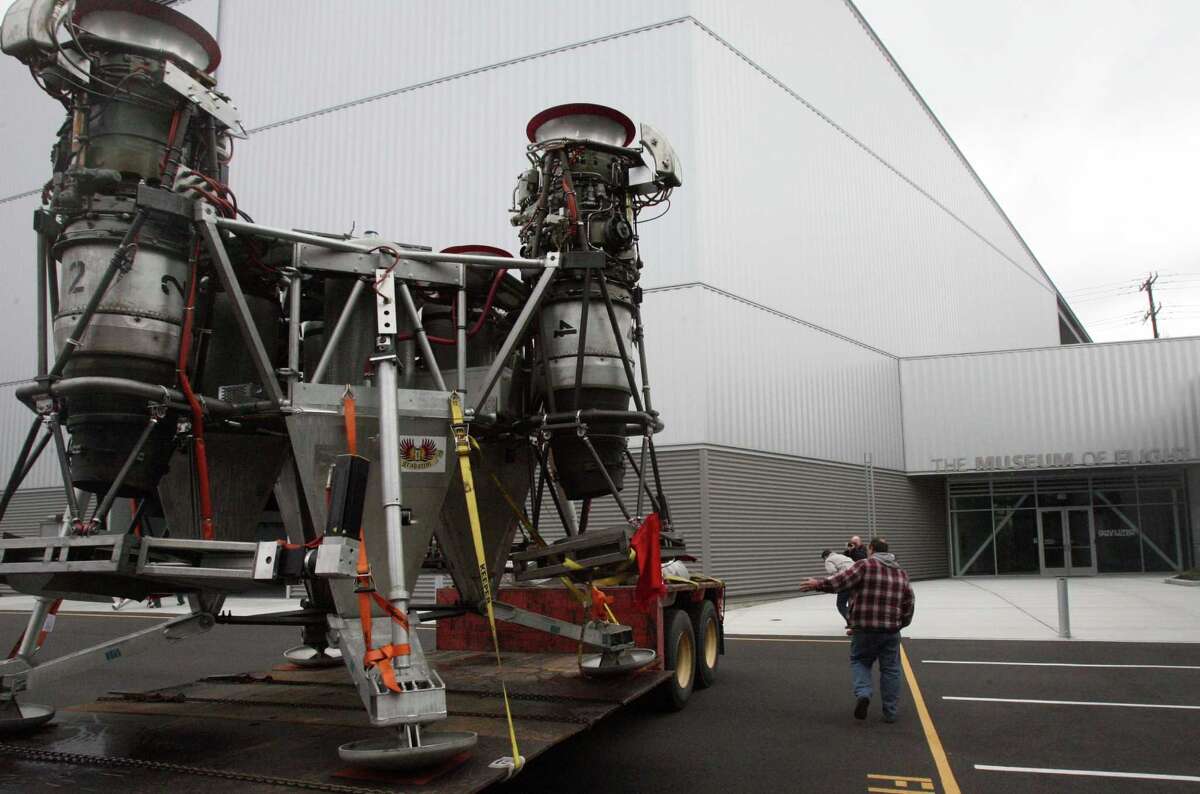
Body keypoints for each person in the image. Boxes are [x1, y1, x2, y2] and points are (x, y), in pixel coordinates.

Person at [800, 538, 914, 723]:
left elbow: (840, 581)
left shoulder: (864, 565)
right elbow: (909, 603)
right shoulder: (901, 573)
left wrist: (818, 583)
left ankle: (864, 694)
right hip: (890, 630)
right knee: (891, 669)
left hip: (864, 628)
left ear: (871, 549)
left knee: (860, 661)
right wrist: (900, 624)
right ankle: (890, 712)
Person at [820, 549, 854, 624]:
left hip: (845, 582)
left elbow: (833, 573)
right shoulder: (843, 556)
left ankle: (852, 623)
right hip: (855, 580)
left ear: (825, 556)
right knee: (853, 604)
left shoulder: (828, 560)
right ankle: (857, 622)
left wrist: (827, 582)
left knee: (841, 604)